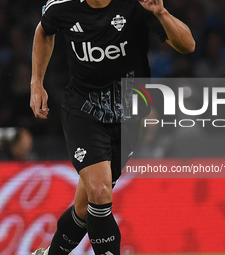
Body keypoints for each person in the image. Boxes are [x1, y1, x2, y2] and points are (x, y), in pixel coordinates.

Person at [30, 0, 195, 254]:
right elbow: (44, 31)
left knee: (86, 209)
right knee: (100, 190)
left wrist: (161, 12)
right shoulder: (62, 7)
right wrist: (36, 83)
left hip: (128, 116)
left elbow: (187, 45)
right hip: (83, 111)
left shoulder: (137, 5)